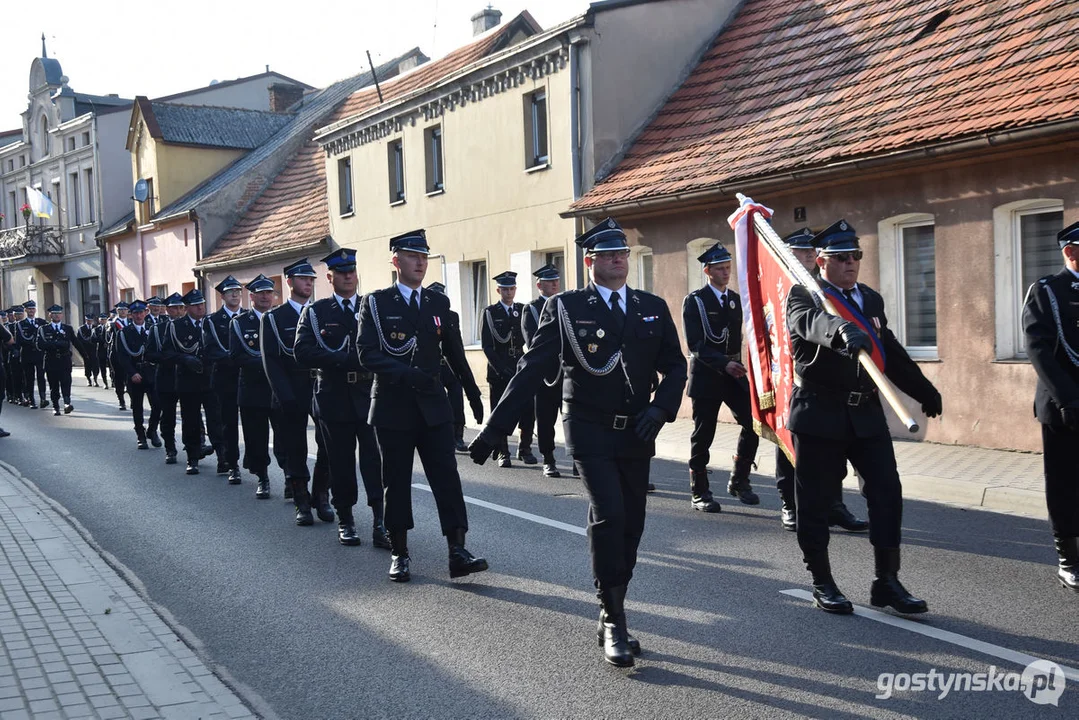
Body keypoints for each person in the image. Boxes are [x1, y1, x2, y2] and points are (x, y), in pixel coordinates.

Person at [469, 218, 687, 667]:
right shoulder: (566, 307)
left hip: (637, 429)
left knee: (633, 525)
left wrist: (660, 409)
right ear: (590, 261)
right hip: (588, 427)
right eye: (608, 254)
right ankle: (613, 618)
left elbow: (676, 366)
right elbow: (531, 369)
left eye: (623, 253)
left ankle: (614, 601)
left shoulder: (651, 306)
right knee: (610, 514)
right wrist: (495, 430)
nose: (618, 261)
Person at [786, 219, 942, 615]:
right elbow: (808, 324)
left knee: (887, 493)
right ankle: (822, 580)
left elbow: (887, 350)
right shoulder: (805, 295)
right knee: (817, 501)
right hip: (819, 412)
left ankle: (887, 581)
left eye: (855, 255)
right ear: (822, 261)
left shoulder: (869, 299)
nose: (850, 264)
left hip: (865, 413)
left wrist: (923, 389)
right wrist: (838, 329)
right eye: (840, 258)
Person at [356, 230, 487, 582]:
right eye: (413, 256)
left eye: (424, 256)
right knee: (396, 481)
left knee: (447, 478)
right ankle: (399, 551)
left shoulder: (437, 304)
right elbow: (366, 353)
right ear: (396, 260)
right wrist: (407, 374)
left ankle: (457, 551)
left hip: (433, 407)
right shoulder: (377, 303)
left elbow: (455, 352)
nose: (420, 262)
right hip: (393, 407)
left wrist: (474, 394)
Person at [773, 228, 868, 532]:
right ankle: (790, 502)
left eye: (811, 252)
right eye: (801, 252)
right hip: (786, 371)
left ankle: (834, 504)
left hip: (817, 375)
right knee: (789, 439)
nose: (808, 257)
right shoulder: (782, 285)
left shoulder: (820, 290)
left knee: (833, 439)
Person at [295, 247, 387, 548]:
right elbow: (302, 351)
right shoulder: (317, 311)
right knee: (341, 462)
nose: (349, 277)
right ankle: (346, 519)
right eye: (342, 273)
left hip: (369, 395)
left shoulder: (371, 307)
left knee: (375, 462)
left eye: (352, 272)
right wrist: (340, 359)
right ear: (330, 277)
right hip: (333, 396)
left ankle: (380, 520)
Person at [1022, 220, 1079, 592]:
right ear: (1070, 252)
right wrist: (1069, 398)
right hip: (1064, 406)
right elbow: (1038, 349)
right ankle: (1068, 557)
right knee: (1063, 483)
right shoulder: (1047, 290)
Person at [682, 243, 759, 512]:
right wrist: (723, 363)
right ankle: (699, 491)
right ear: (707, 270)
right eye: (720, 268)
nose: (726, 272)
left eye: (728, 267)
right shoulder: (696, 301)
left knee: (754, 423)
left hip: (733, 374)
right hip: (707, 375)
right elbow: (695, 344)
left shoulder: (735, 299)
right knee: (704, 434)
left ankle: (740, 479)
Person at [262, 259, 333, 524]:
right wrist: (285, 396)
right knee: (295, 448)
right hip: (291, 389)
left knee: (328, 445)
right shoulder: (274, 318)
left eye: (312, 279)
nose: (308, 283)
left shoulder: (321, 313)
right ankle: (302, 501)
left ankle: (321, 495)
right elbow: (271, 360)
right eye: (303, 279)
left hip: (321, 388)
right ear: (289, 282)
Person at [481, 271, 536, 467]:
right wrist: (500, 368)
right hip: (499, 367)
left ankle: (525, 448)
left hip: (520, 365)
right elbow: (487, 345)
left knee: (528, 408)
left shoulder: (522, 310)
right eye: (505, 289)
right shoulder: (490, 312)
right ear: (498, 290)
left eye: (512, 288)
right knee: (500, 410)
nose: (509, 292)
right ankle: (503, 451)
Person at [522, 264, 573, 478]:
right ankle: (548, 459)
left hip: (568, 371)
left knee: (572, 417)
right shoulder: (532, 309)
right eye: (549, 281)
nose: (554, 284)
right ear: (539, 284)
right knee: (545, 419)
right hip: (546, 373)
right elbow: (531, 341)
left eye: (556, 280)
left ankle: (577, 459)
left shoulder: (567, 304)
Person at [167, 289, 223, 475]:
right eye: (196, 305)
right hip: (188, 380)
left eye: (202, 304)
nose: (200, 308)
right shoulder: (176, 326)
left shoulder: (211, 323)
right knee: (190, 420)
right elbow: (166, 352)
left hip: (211, 378)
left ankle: (223, 457)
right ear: (187, 307)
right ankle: (192, 457)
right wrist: (184, 359)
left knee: (216, 419)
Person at [230, 276, 277, 497]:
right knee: (256, 437)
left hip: (279, 389)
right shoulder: (240, 323)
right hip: (253, 388)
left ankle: (290, 477)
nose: (266, 297)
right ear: (252, 296)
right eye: (261, 293)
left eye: (269, 292)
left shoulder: (280, 318)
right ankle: (262, 477)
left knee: (286, 437)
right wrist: (267, 364)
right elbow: (236, 356)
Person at [204, 276, 244, 479]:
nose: (235, 294)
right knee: (227, 423)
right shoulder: (212, 321)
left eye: (238, 291)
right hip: (225, 378)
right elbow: (210, 350)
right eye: (231, 292)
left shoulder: (249, 317)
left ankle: (255, 464)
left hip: (248, 378)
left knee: (252, 424)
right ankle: (231, 462)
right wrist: (236, 359)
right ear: (222, 296)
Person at [426, 282, 469, 452]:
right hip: (432, 366)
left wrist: (462, 365)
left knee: (457, 399)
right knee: (434, 401)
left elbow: (456, 342)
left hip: (450, 365)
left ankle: (458, 435)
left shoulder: (452, 316)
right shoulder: (424, 315)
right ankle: (435, 435)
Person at [146, 293, 185, 463]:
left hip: (187, 377)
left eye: (180, 307)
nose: (178, 311)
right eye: (174, 308)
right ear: (167, 310)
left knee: (192, 415)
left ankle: (196, 444)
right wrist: (170, 358)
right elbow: (149, 354)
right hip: (166, 377)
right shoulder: (158, 329)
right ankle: (170, 447)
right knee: (168, 415)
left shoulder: (190, 325)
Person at [114, 300, 156, 447]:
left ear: (146, 313)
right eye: (136, 313)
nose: (139, 315)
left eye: (141, 312)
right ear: (131, 315)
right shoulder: (124, 333)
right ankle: (140, 435)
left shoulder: (153, 329)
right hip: (135, 374)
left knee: (157, 405)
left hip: (151, 372)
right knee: (137, 406)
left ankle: (152, 430)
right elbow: (122, 356)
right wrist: (132, 373)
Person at [36, 305, 76, 416]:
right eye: (54, 313)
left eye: (59, 313)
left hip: (65, 360)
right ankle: (56, 406)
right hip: (51, 360)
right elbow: (40, 345)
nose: (57, 315)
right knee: (54, 385)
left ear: (62, 315)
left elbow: (75, 342)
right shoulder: (43, 329)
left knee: (66, 382)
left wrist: (86, 356)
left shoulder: (67, 328)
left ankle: (67, 403)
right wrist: (56, 344)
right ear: (50, 315)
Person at [16, 301, 47, 408]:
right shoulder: (20, 324)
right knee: (28, 378)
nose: (31, 311)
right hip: (27, 354)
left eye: (33, 309)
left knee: (41, 377)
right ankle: (31, 399)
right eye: (29, 309)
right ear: (25, 310)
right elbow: (20, 340)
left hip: (39, 354)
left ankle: (43, 398)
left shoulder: (42, 322)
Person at [108, 302, 129, 410]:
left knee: (130, 377)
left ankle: (133, 399)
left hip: (130, 354)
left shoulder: (131, 322)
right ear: (117, 311)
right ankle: (121, 399)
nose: (123, 311)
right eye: (120, 310)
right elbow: (107, 338)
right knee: (119, 377)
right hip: (117, 353)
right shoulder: (112, 323)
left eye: (125, 309)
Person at [75, 313, 100, 387]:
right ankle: (88, 378)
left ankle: (95, 378)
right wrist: (91, 339)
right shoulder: (81, 328)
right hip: (86, 349)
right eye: (88, 320)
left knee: (95, 365)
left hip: (94, 349)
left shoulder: (95, 327)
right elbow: (83, 338)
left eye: (91, 320)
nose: (89, 322)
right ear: (86, 320)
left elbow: (98, 337)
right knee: (87, 364)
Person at [93, 313, 111, 390]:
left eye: (104, 319)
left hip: (110, 350)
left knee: (112, 367)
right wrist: (102, 341)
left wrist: (108, 343)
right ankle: (105, 382)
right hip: (101, 350)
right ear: (99, 320)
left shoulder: (110, 328)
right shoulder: (96, 329)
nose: (103, 321)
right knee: (102, 367)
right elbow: (93, 339)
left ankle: (113, 381)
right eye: (101, 319)